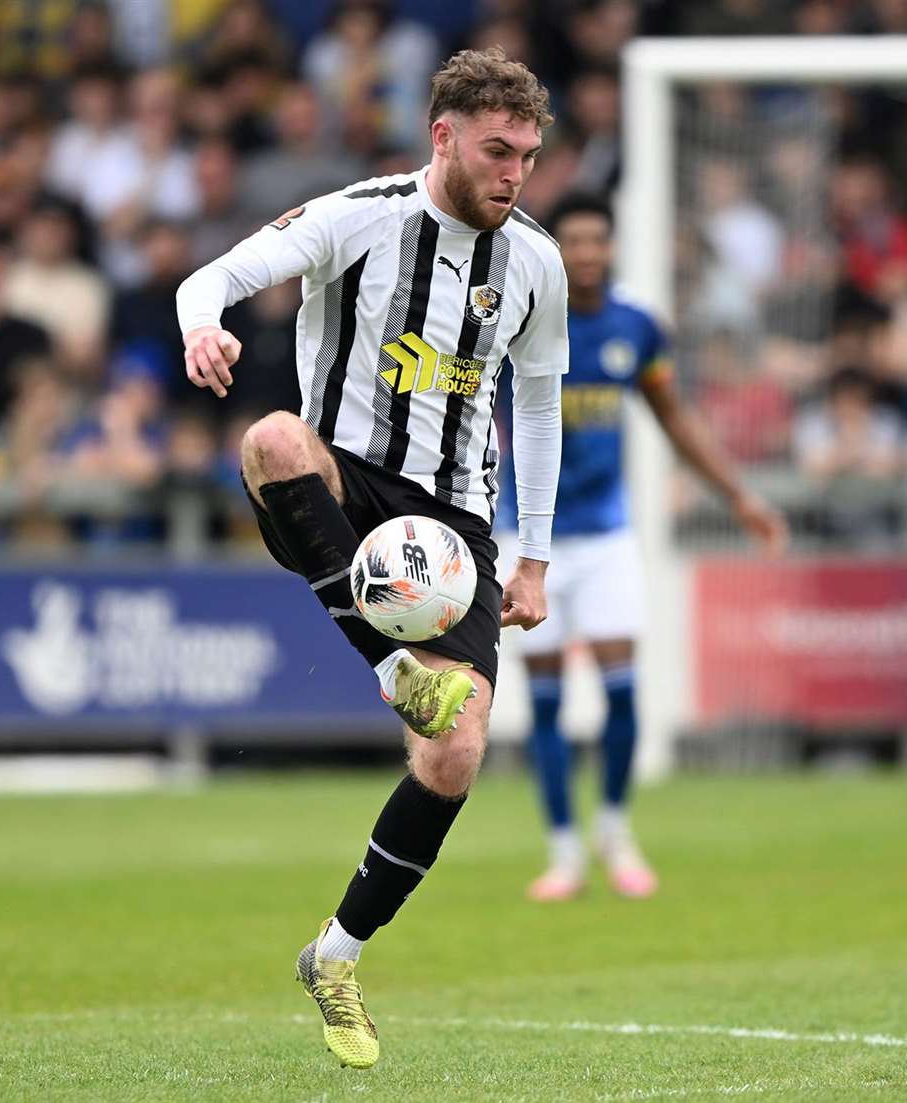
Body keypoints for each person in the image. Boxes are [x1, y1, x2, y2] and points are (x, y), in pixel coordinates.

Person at [176, 47, 567, 1070]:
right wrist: (203, 328)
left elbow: (537, 402)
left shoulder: (534, 260)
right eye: (497, 150)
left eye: (528, 155)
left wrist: (533, 558)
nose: (513, 173)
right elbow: (208, 277)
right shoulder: (357, 215)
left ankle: (335, 953)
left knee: (457, 751)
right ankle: (394, 670)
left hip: (456, 526)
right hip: (341, 488)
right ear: (442, 136)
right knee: (268, 438)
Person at [497, 193, 787, 903]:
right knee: (544, 701)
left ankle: (615, 830)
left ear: (613, 245)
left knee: (623, 688)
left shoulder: (635, 327)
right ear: (554, 248)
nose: (588, 254)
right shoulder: (513, 315)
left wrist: (739, 496)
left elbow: (673, 416)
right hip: (525, 536)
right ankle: (563, 849)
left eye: (599, 240)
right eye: (576, 241)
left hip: (606, 535)